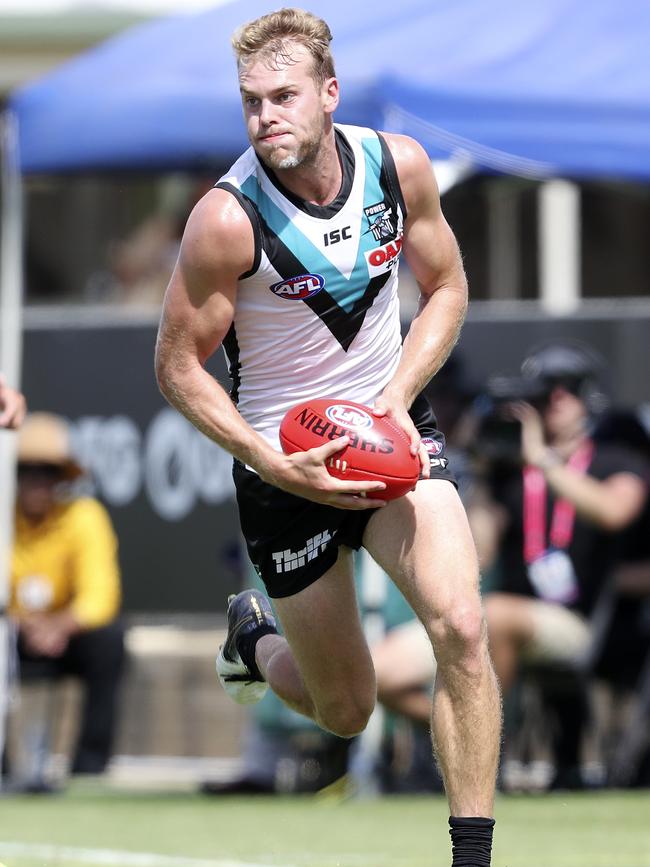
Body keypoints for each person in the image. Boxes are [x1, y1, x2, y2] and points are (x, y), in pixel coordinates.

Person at [155, 9, 500, 864]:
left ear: (329, 94)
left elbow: (448, 287)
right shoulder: (227, 219)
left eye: (283, 96)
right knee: (347, 707)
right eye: (251, 101)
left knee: (460, 623)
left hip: (388, 428)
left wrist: (392, 397)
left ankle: (473, 857)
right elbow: (177, 366)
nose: (266, 115)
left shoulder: (398, 168)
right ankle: (254, 639)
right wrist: (268, 457)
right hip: (282, 461)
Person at [470, 341, 648, 789]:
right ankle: (436, 762)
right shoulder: (510, 468)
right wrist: (480, 473)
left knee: (497, 615)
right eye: (544, 390)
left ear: (587, 396)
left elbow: (614, 510)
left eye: (566, 389)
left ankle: (480, 765)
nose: (555, 400)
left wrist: (543, 460)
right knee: (391, 667)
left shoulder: (615, 458)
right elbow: (477, 555)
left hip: (581, 623)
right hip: (504, 618)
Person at [8, 412, 125, 778]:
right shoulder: (2, 515)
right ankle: (4, 767)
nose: (36, 482)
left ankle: (88, 767)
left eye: (47, 472)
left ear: (60, 478)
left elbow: (100, 596)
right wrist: (22, 623)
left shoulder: (84, 516)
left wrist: (59, 626)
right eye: (26, 471)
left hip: (66, 636)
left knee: (110, 641)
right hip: (12, 634)